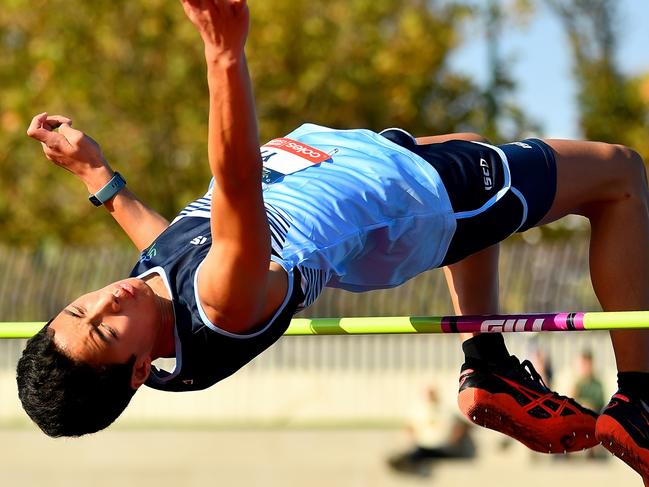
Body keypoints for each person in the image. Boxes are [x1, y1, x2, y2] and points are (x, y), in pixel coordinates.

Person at [15, 0, 649, 481]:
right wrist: (224, 54)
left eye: (79, 307)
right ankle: (641, 400)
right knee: (619, 174)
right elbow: (235, 186)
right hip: (408, 198)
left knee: (466, 142)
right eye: (103, 328)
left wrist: (99, 178)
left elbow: (172, 247)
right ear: (134, 373)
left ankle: (488, 365)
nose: (106, 301)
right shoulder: (224, 306)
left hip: (353, 169)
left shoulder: (158, 313)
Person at [387, 384, 476, 477]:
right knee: (420, 452)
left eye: (432, 394)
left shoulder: (446, 409)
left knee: (429, 453)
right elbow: (410, 427)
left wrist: (454, 438)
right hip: (424, 445)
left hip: (444, 446)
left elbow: (463, 425)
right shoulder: (418, 410)